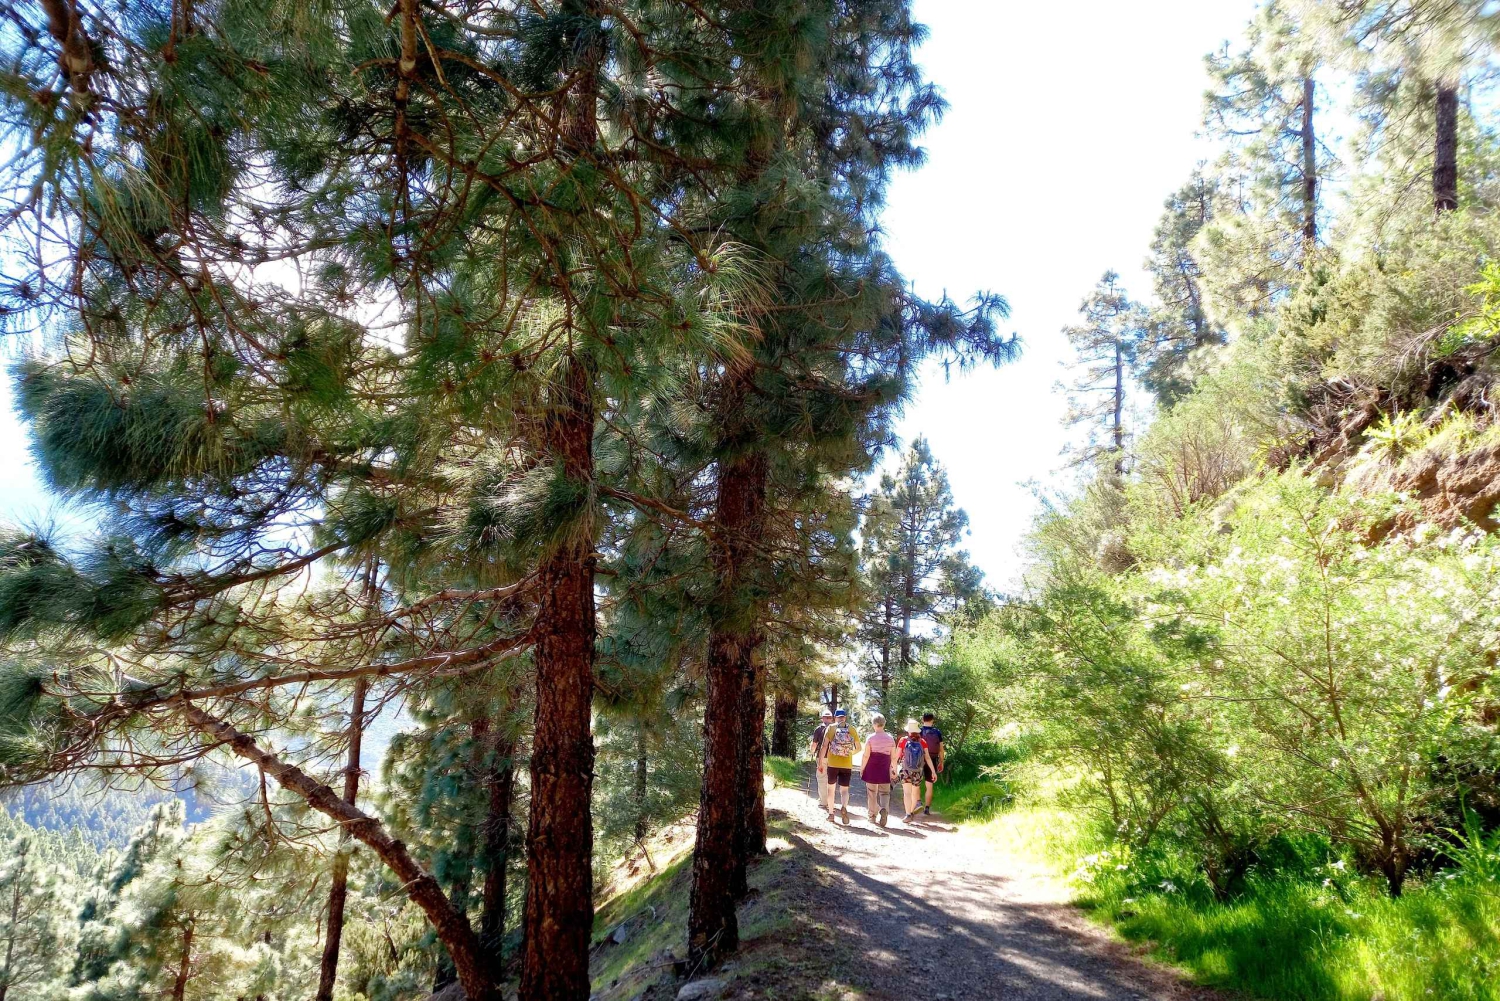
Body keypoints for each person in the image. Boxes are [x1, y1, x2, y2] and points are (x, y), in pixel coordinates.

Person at [818, 708, 862, 825]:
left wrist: (820, 762)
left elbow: (824, 746)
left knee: (831, 789)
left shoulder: (831, 728)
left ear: (836, 717)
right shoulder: (851, 729)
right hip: (846, 764)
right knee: (844, 790)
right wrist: (848, 753)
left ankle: (831, 814)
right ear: (845, 717)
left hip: (832, 764)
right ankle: (843, 806)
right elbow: (859, 748)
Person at [860, 713, 896, 826]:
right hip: (885, 767)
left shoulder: (870, 738)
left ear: (874, 724)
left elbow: (866, 755)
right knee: (885, 793)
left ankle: (873, 815)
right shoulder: (890, 739)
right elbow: (893, 757)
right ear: (884, 724)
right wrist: (893, 770)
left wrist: (862, 768)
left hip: (872, 767)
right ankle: (884, 810)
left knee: (872, 793)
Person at [896, 719, 936, 822]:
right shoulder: (922, 742)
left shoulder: (903, 740)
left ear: (908, 731)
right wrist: (933, 771)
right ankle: (911, 812)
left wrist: (893, 768)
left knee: (907, 793)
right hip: (918, 772)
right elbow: (927, 758)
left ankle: (908, 814)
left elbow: (897, 756)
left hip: (905, 770)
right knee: (914, 794)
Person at [919, 712, 946, 817]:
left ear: (923, 720)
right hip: (933, 759)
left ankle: (916, 804)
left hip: (920, 759)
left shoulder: (919, 731)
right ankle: (927, 808)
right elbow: (941, 749)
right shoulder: (937, 732)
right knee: (929, 786)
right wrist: (941, 761)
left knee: (915, 783)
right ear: (932, 720)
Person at [810, 707, 834, 812]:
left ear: (822, 718)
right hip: (834, 758)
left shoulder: (819, 729)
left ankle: (824, 802)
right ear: (832, 719)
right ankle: (831, 802)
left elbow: (814, 744)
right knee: (831, 780)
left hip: (822, 758)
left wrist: (811, 752)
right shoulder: (835, 729)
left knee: (822, 778)